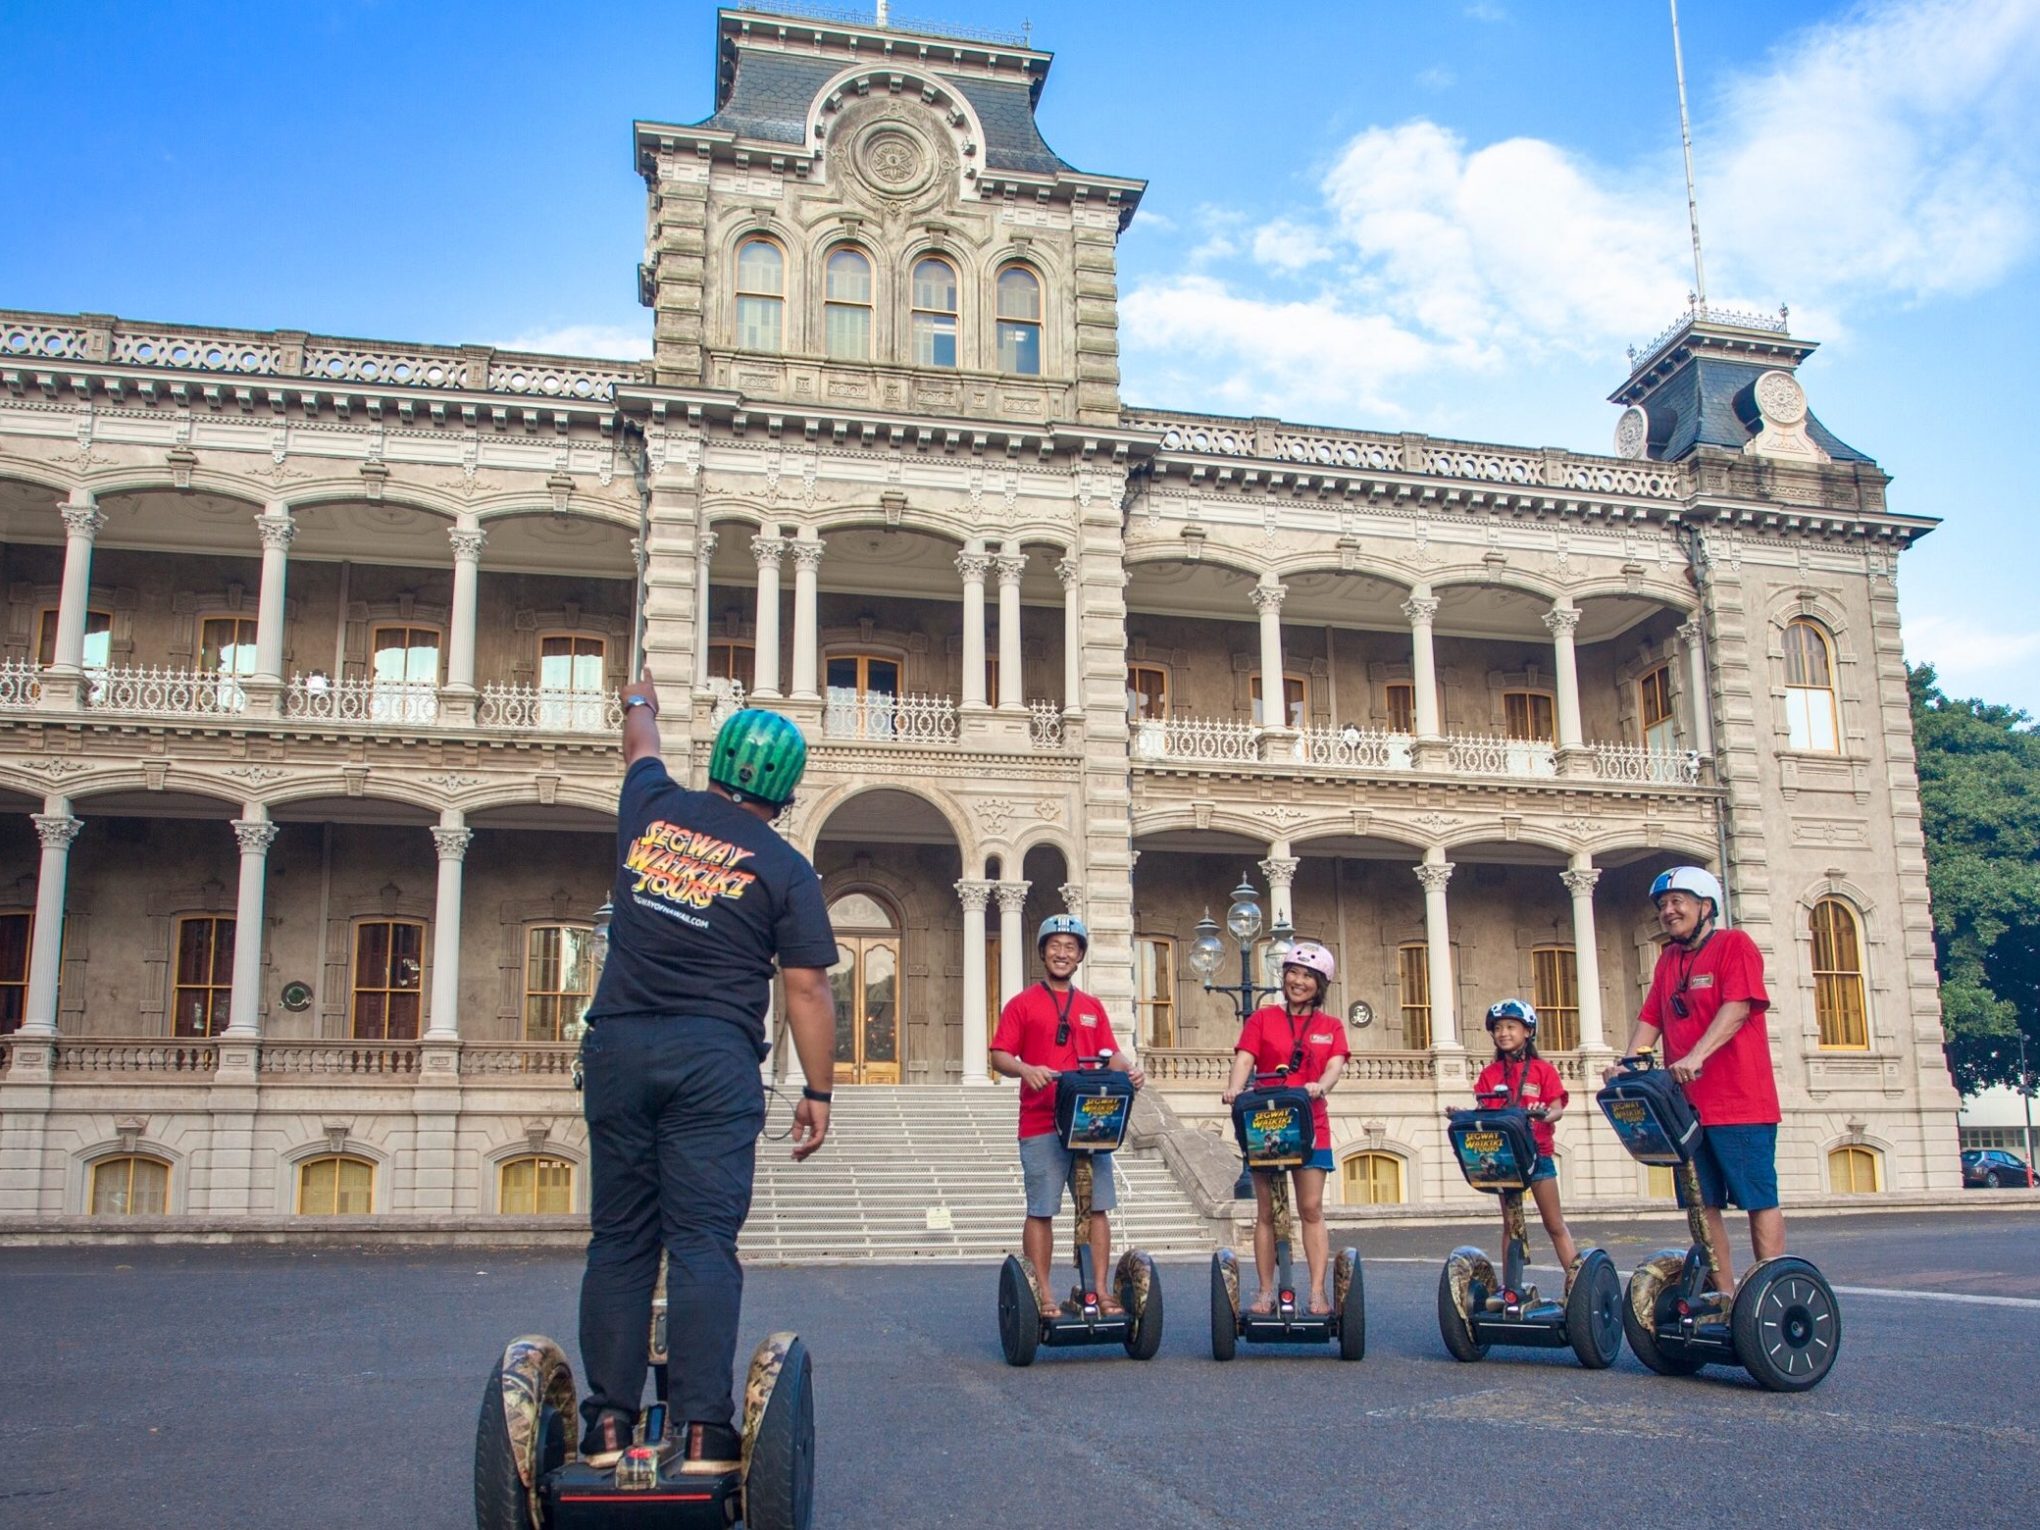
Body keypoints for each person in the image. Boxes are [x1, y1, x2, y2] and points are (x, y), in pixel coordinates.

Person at [575, 676, 839, 1474]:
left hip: (617, 1047)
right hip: (710, 1059)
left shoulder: (652, 809)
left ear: (717, 762)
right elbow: (806, 988)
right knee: (700, 1243)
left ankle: (609, 1428)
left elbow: (641, 748)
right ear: (787, 792)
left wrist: (640, 702)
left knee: (619, 1241)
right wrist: (818, 1092)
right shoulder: (784, 866)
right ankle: (700, 1433)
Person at [1606, 865, 1781, 1296]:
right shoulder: (1669, 959)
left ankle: (1771, 1291)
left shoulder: (1734, 945)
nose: (1668, 910)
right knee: (1702, 1206)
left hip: (1740, 1102)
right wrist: (1627, 1068)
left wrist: (1697, 1054)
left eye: (1677, 901)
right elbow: (1651, 1020)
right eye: (1663, 904)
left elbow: (1738, 1007)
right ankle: (1725, 1297)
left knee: (1757, 1198)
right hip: (1686, 1110)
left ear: (1706, 906)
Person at [988, 914, 1145, 1319]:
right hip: (1041, 1121)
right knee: (1041, 1208)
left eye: (1070, 947)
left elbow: (1111, 1053)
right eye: (1055, 946)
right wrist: (1026, 1070)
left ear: (1079, 957)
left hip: (1091, 1121)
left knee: (1097, 1208)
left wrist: (1130, 1069)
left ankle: (1100, 1291)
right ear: (1043, 952)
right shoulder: (1022, 1003)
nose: (1062, 953)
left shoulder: (1092, 1007)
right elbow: (1000, 1054)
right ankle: (1043, 1293)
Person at [1220, 941, 1350, 1315]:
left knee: (1310, 1208)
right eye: (1293, 972)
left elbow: (1335, 1065)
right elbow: (1246, 1057)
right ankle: (1264, 1291)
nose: (1298, 980)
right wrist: (1234, 1087)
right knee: (1266, 1211)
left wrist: (1321, 1086)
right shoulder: (1262, 1018)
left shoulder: (1331, 1026)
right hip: (1266, 1121)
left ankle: (1317, 1291)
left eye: (1307, 976)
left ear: (1320, 983)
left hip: (1311, 1123)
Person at [1471, 998, 1580, 1279]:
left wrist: (1543, 1114)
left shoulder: (1543, 1070)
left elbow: (1557, 1109)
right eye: (1498, 1028)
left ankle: (1578, 1284)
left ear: (1528, 1031)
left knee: (1554, 1223)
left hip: (1538, 1155)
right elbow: (1484, 1113)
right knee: (1511, 1226)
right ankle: (1511, 1290)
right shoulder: (1489, 1074)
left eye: (1511, 1026)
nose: (1503, 1033)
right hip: (1505, 1161)